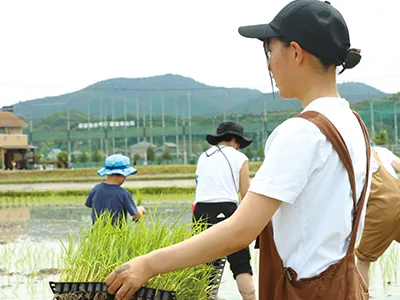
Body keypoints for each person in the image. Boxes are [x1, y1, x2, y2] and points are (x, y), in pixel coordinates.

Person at [105, 1, 371, 299]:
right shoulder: (354, 125)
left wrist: (148, 263)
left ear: (296, 52)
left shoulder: (301, 132)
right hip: (346, 289)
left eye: (270, 50)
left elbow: (241, 231)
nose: (269, 64)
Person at [193, 120, 255, 299]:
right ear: (235, 140)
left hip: (200, 211)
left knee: (205, 261)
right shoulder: (239, 158)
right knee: (241, 262)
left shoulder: (203, 156)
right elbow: (246, 194)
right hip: (227, 209)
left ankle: (206, 296)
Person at [356, 145, 400, 285]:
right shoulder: (380, 151)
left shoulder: (352, 157)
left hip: (382, 211)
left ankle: (362, 296)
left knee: (363, 260)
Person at [85, 154, 145, 226]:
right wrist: (140, 210)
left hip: (97, 235)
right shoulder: (123, 194)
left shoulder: (95, 189)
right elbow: (136, 216)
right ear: (123, 175)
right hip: (116, 235)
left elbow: (89, 204)